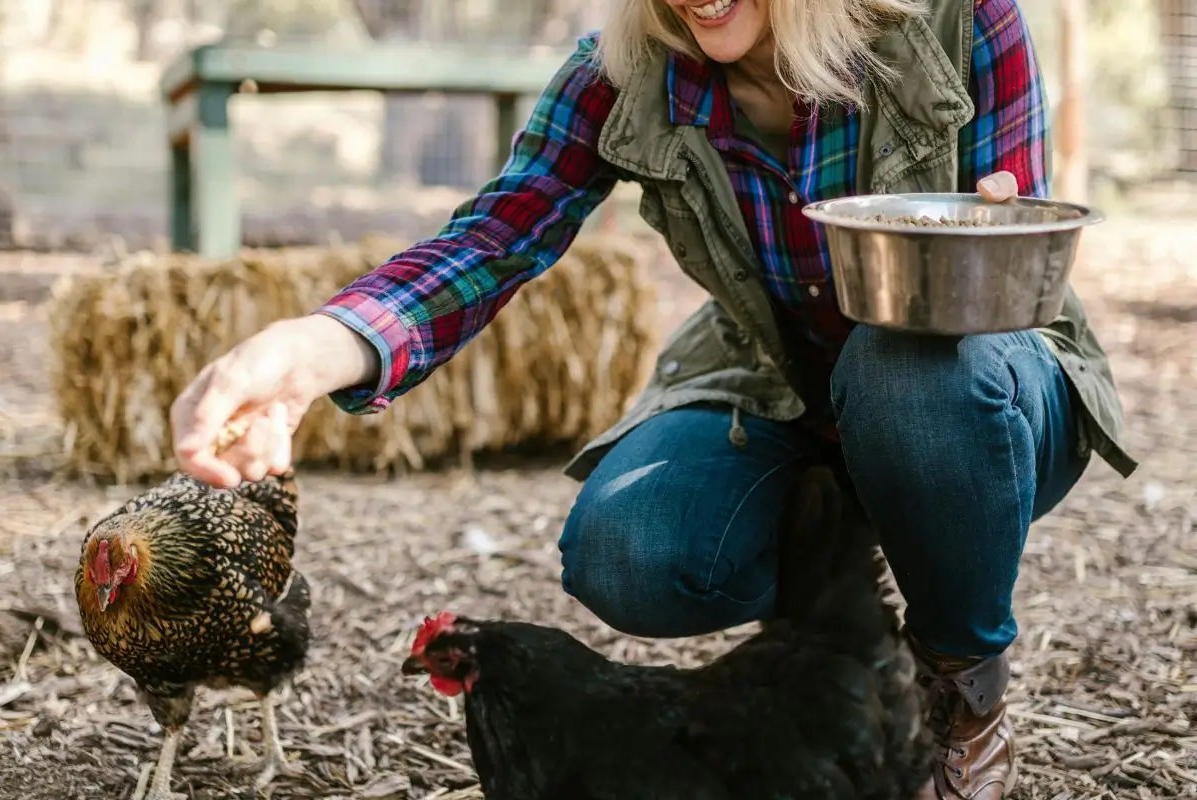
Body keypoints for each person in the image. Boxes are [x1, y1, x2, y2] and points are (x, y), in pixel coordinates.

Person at [169, 0, 1137, 797]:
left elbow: (1018, 267)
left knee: (912, 379)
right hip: (772, 378)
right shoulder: (620, 70)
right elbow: (490, 240)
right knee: (628, 550)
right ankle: (828, 659)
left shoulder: (964, 22)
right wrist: (311, 347)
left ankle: (959, 685)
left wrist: (994, 223)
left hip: (966, 383)